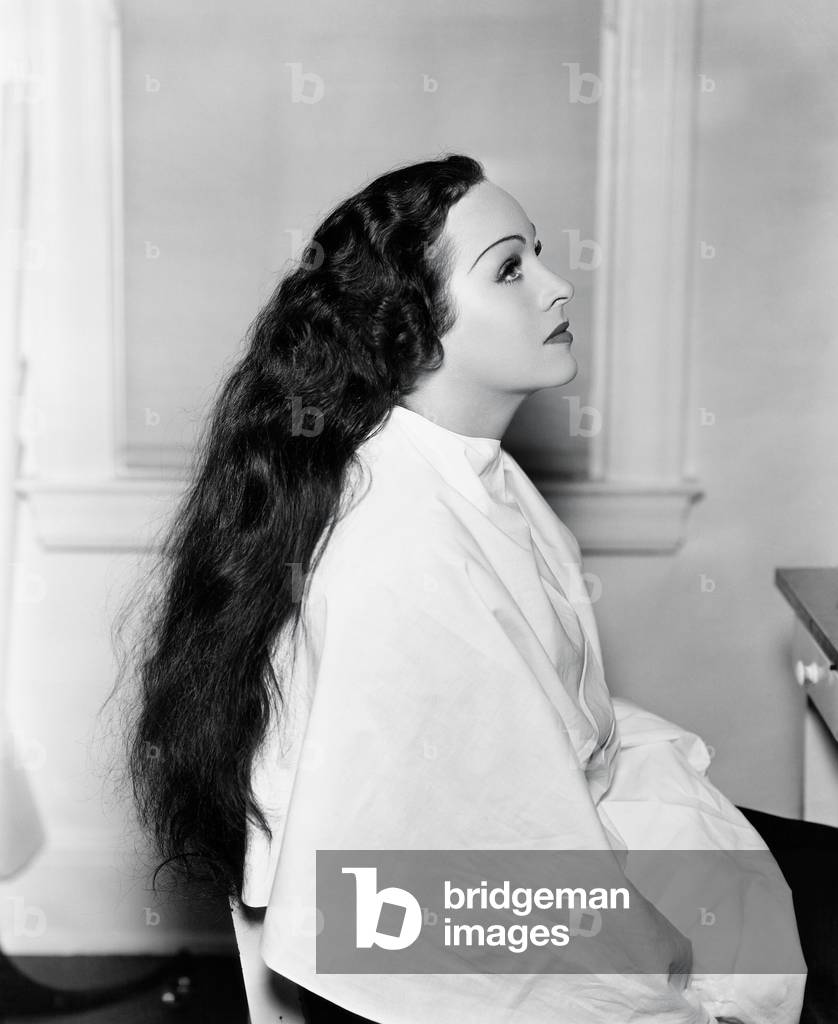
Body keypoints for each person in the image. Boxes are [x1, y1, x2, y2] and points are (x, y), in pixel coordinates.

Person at [117, 154, 814, 1023]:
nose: (559, 287)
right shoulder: (399, 540)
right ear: (413, 329)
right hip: (431, 920)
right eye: (512, 268)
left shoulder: (470, 471)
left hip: (521, 856)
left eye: (541, 256)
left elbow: (551, 745)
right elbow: (483, 866)